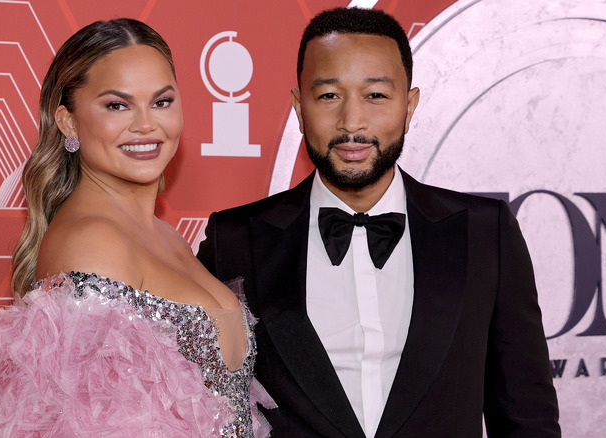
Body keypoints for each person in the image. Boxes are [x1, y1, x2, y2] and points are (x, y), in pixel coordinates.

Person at [197, 7, 559, 438]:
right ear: (299, 107)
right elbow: (205, 408)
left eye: (376, 96)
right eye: (329, 95)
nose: (352, 123)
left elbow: (527, 419)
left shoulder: (485, 233)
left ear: (410, 106)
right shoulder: (234, 240)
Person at [0, 18, 273, 437]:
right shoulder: (91, 242)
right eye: (117, 105)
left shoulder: (166, 236)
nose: (146, 125)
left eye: (161, 101)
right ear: (67, 121)